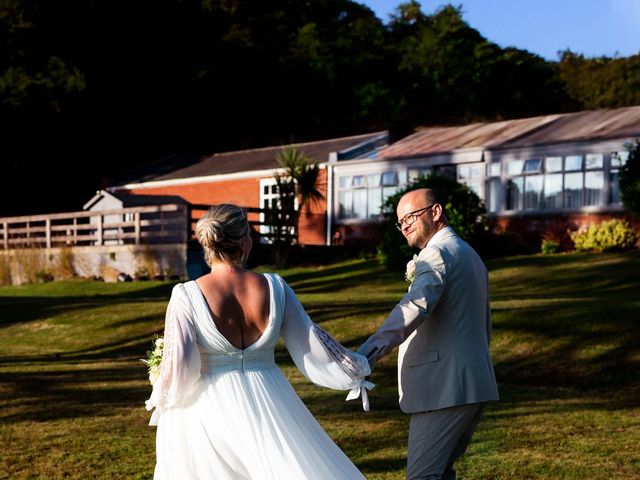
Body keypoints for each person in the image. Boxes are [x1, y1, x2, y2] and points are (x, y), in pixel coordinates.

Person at [145, 204, 372, 480]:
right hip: (271, 396)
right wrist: (355, 369)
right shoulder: (275, 286)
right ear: (243, 241)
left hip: (210, 406)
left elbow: (179, 364)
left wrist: (163, 395)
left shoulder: (186, 295)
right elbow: (311, 343)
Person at [357, 188, 499, 480]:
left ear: (435, 212)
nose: (404, 225)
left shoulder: (436, 254)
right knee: (442, 473)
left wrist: (366, 356)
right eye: (400, 222)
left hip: (444, 388)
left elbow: (411, 311)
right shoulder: (469, 254)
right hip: (473, 383)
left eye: (410, 216)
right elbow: (484, 323)